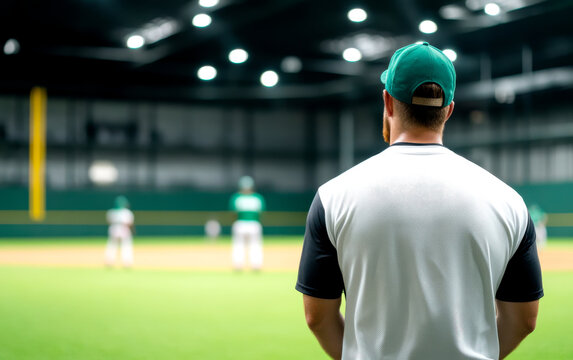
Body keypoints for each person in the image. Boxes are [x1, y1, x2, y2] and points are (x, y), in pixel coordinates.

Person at [296, 42, 543, 360]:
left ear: (387, 101)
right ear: (449, 109)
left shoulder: (332, 197)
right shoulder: (509, 202)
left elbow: (317, 317)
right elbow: (524, 319)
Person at [229, 176, 265, 271]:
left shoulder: (237, 197)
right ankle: (256, 266)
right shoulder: (257, 197)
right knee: (255, 245)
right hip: (254, 223)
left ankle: (238, 265)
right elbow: (260, 213)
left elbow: (233, 213)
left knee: (238, 245)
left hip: (240, 223)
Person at [105, 196, 135, 268]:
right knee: (126, 246)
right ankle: (127, 263)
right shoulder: (127, 212)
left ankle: (109, 261)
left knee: (112, 245)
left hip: (114, 228)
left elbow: (109, 221)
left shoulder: (111, 212)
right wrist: (133, 231)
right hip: (123, 228)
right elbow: (129, 223)